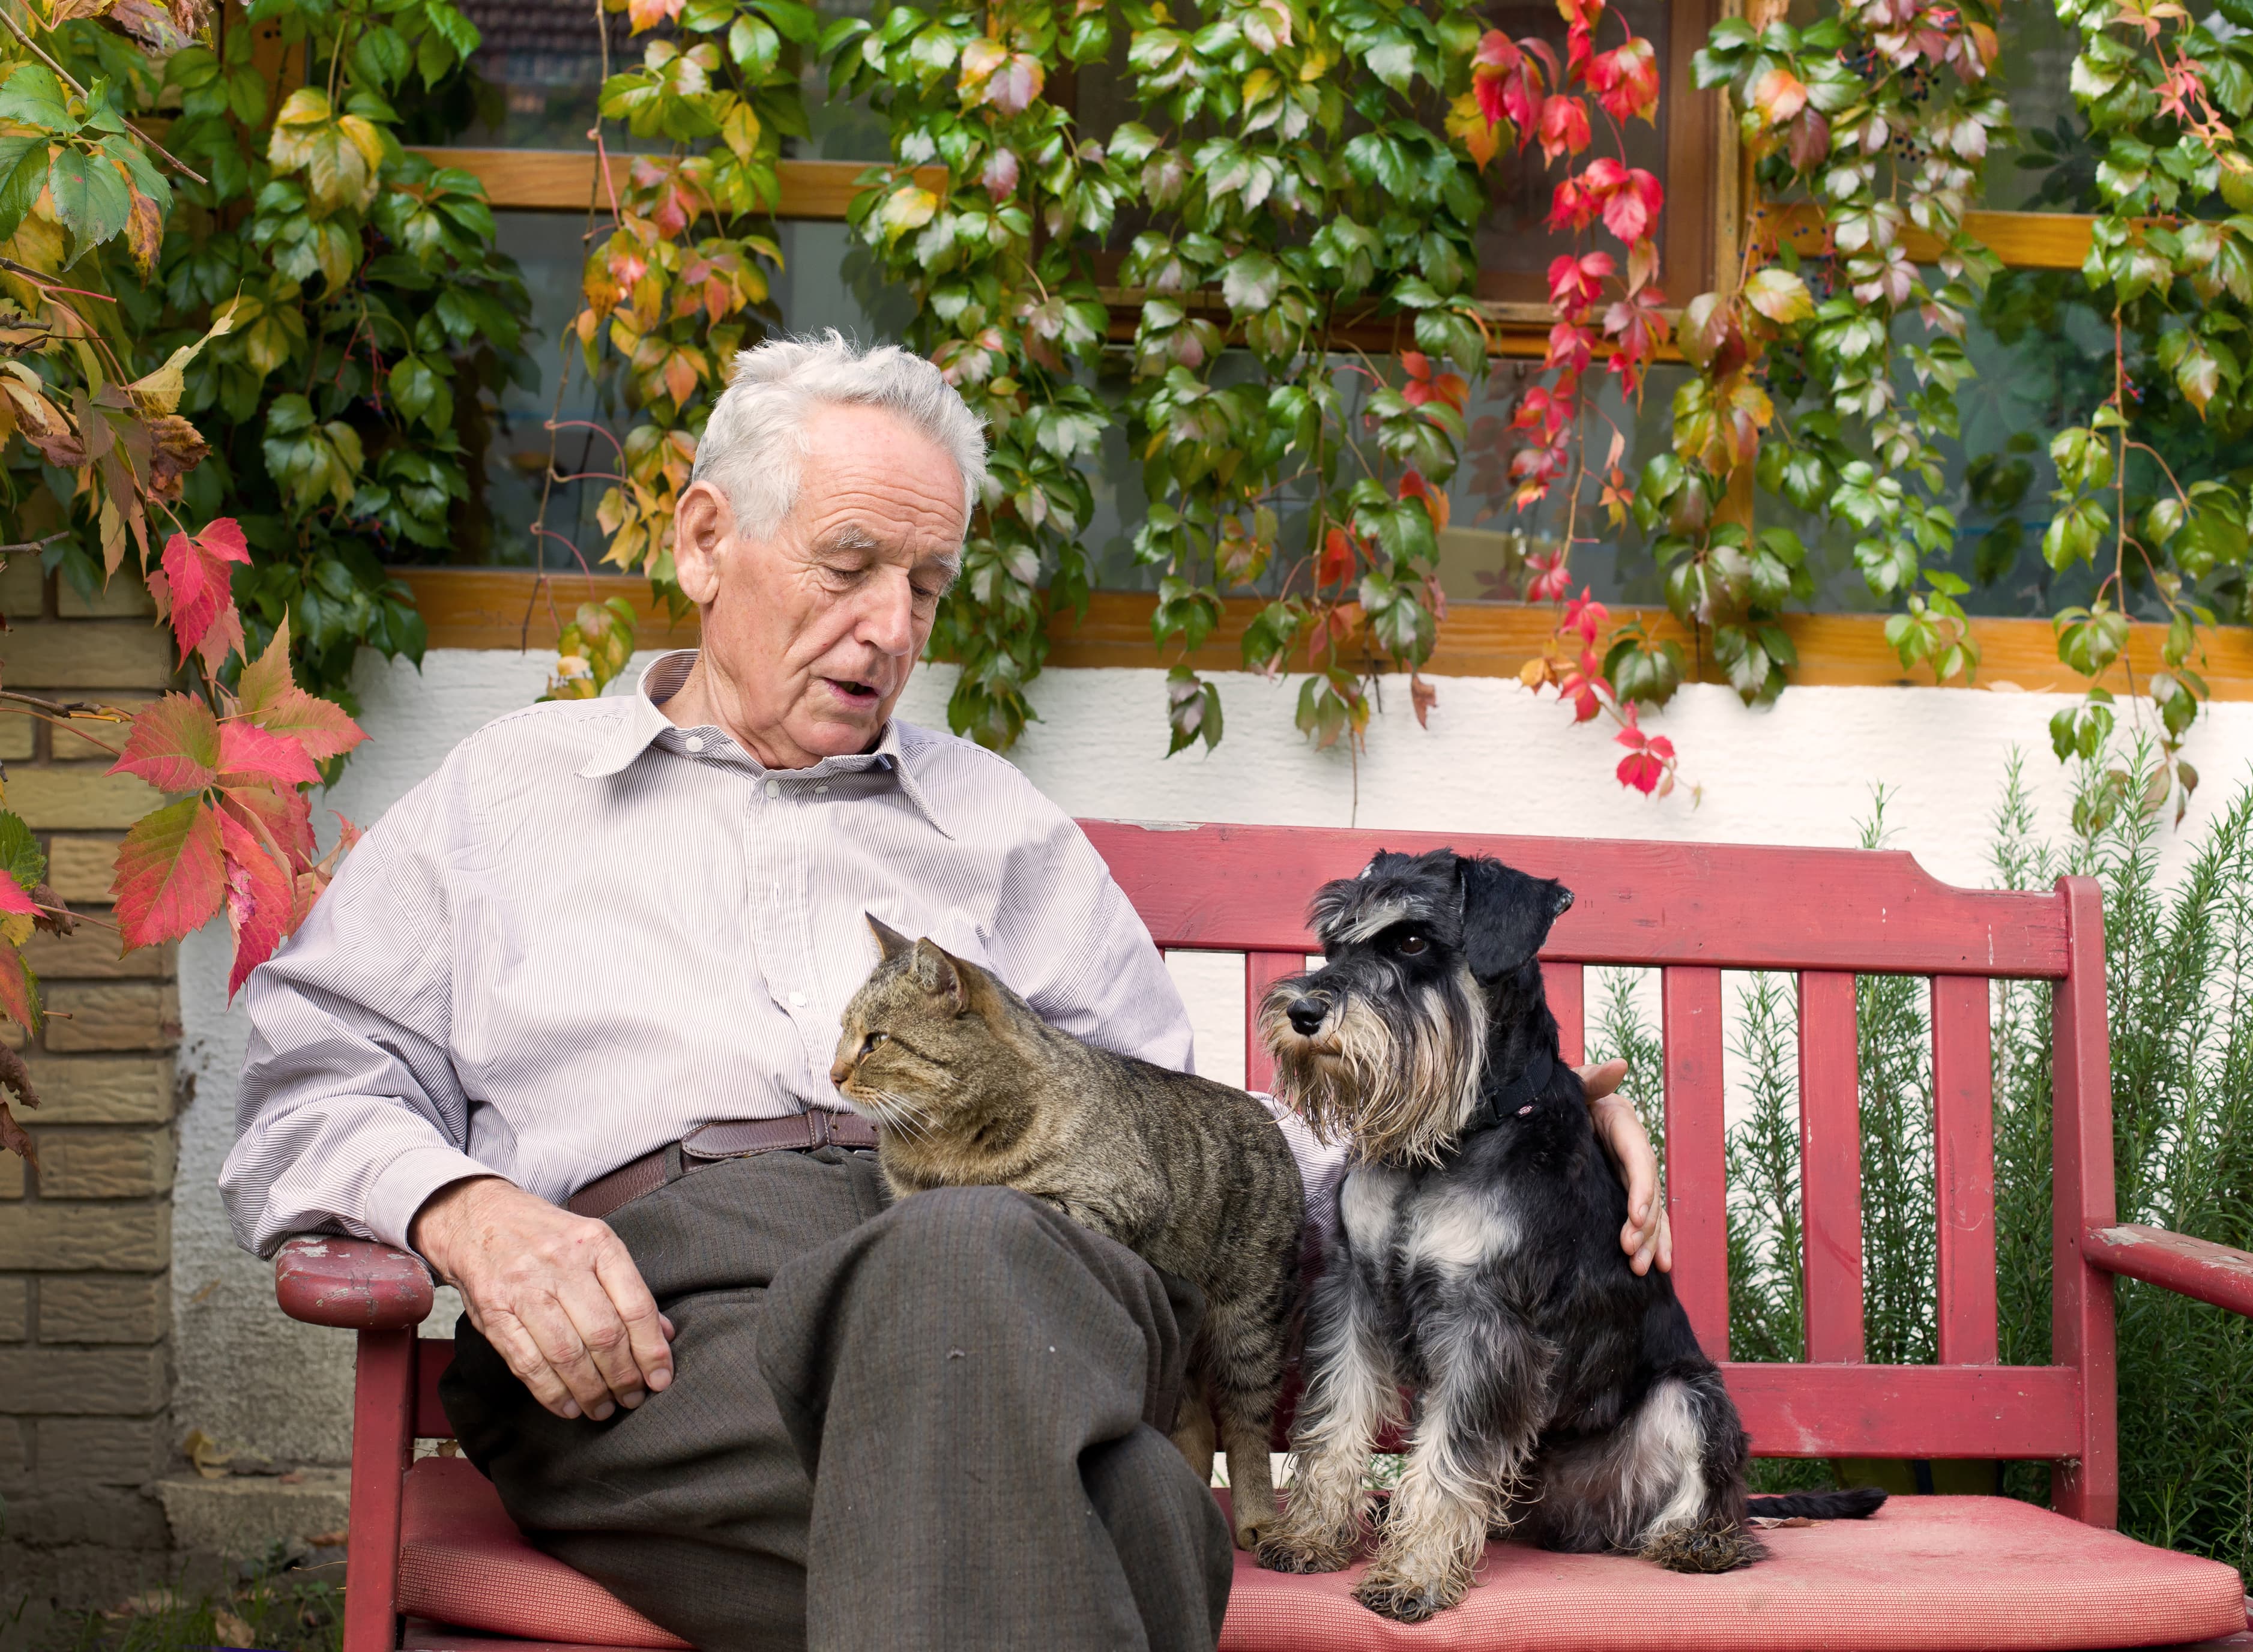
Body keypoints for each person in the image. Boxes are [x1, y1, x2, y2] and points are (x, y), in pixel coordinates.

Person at [223, 332, 1672, 1652]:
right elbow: (307, 1077)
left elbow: (1186, 1139)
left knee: (967, 1255)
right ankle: (1144, 1544)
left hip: (1030, 1281)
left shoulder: (996, 823)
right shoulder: (506, 795)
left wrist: (1511, 1116)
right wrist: (464, 1211)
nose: (891, 628)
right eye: (847, 566)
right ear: (706, 540)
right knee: (1128, 1522)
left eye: (924, 587)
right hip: (668, 1334)